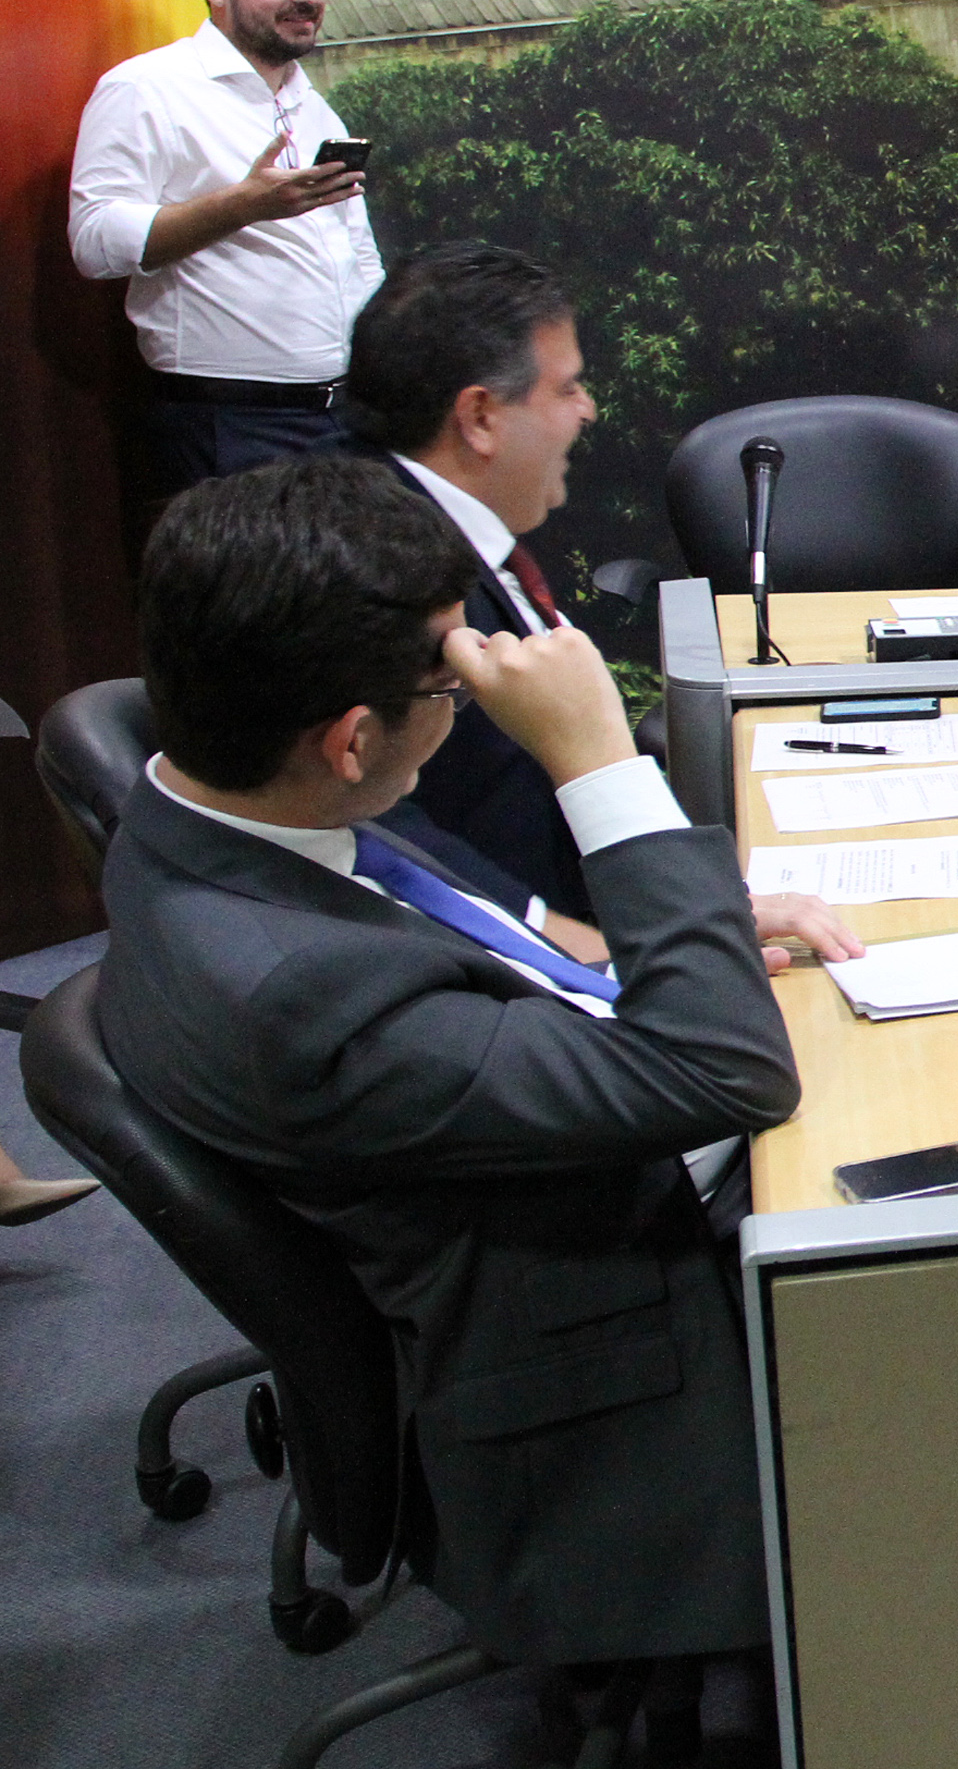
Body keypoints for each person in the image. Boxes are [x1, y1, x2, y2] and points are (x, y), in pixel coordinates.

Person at [99, 457, 797, 1669]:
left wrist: (694, 930)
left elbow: (495, 950)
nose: (476, 692)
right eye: (452, 680)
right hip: (619, 1349)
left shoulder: (207, 812)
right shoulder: (303, 997)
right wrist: (598, 763)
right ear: (352, 739)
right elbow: (728, 1074)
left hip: (549, 1144)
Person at [341, 241, 857, 974]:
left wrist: (701, 910)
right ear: (480, 417)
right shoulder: (376, 570)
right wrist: (608, 952)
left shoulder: (430, 523)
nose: (587, 410)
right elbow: (374, 831)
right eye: (567, 388)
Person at [69, 0, 380, 496]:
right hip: (228, 422)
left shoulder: (313, 105)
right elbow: (93, 241)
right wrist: (241, 206)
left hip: (344, 419)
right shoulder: (145, 88)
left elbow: (356, 253)